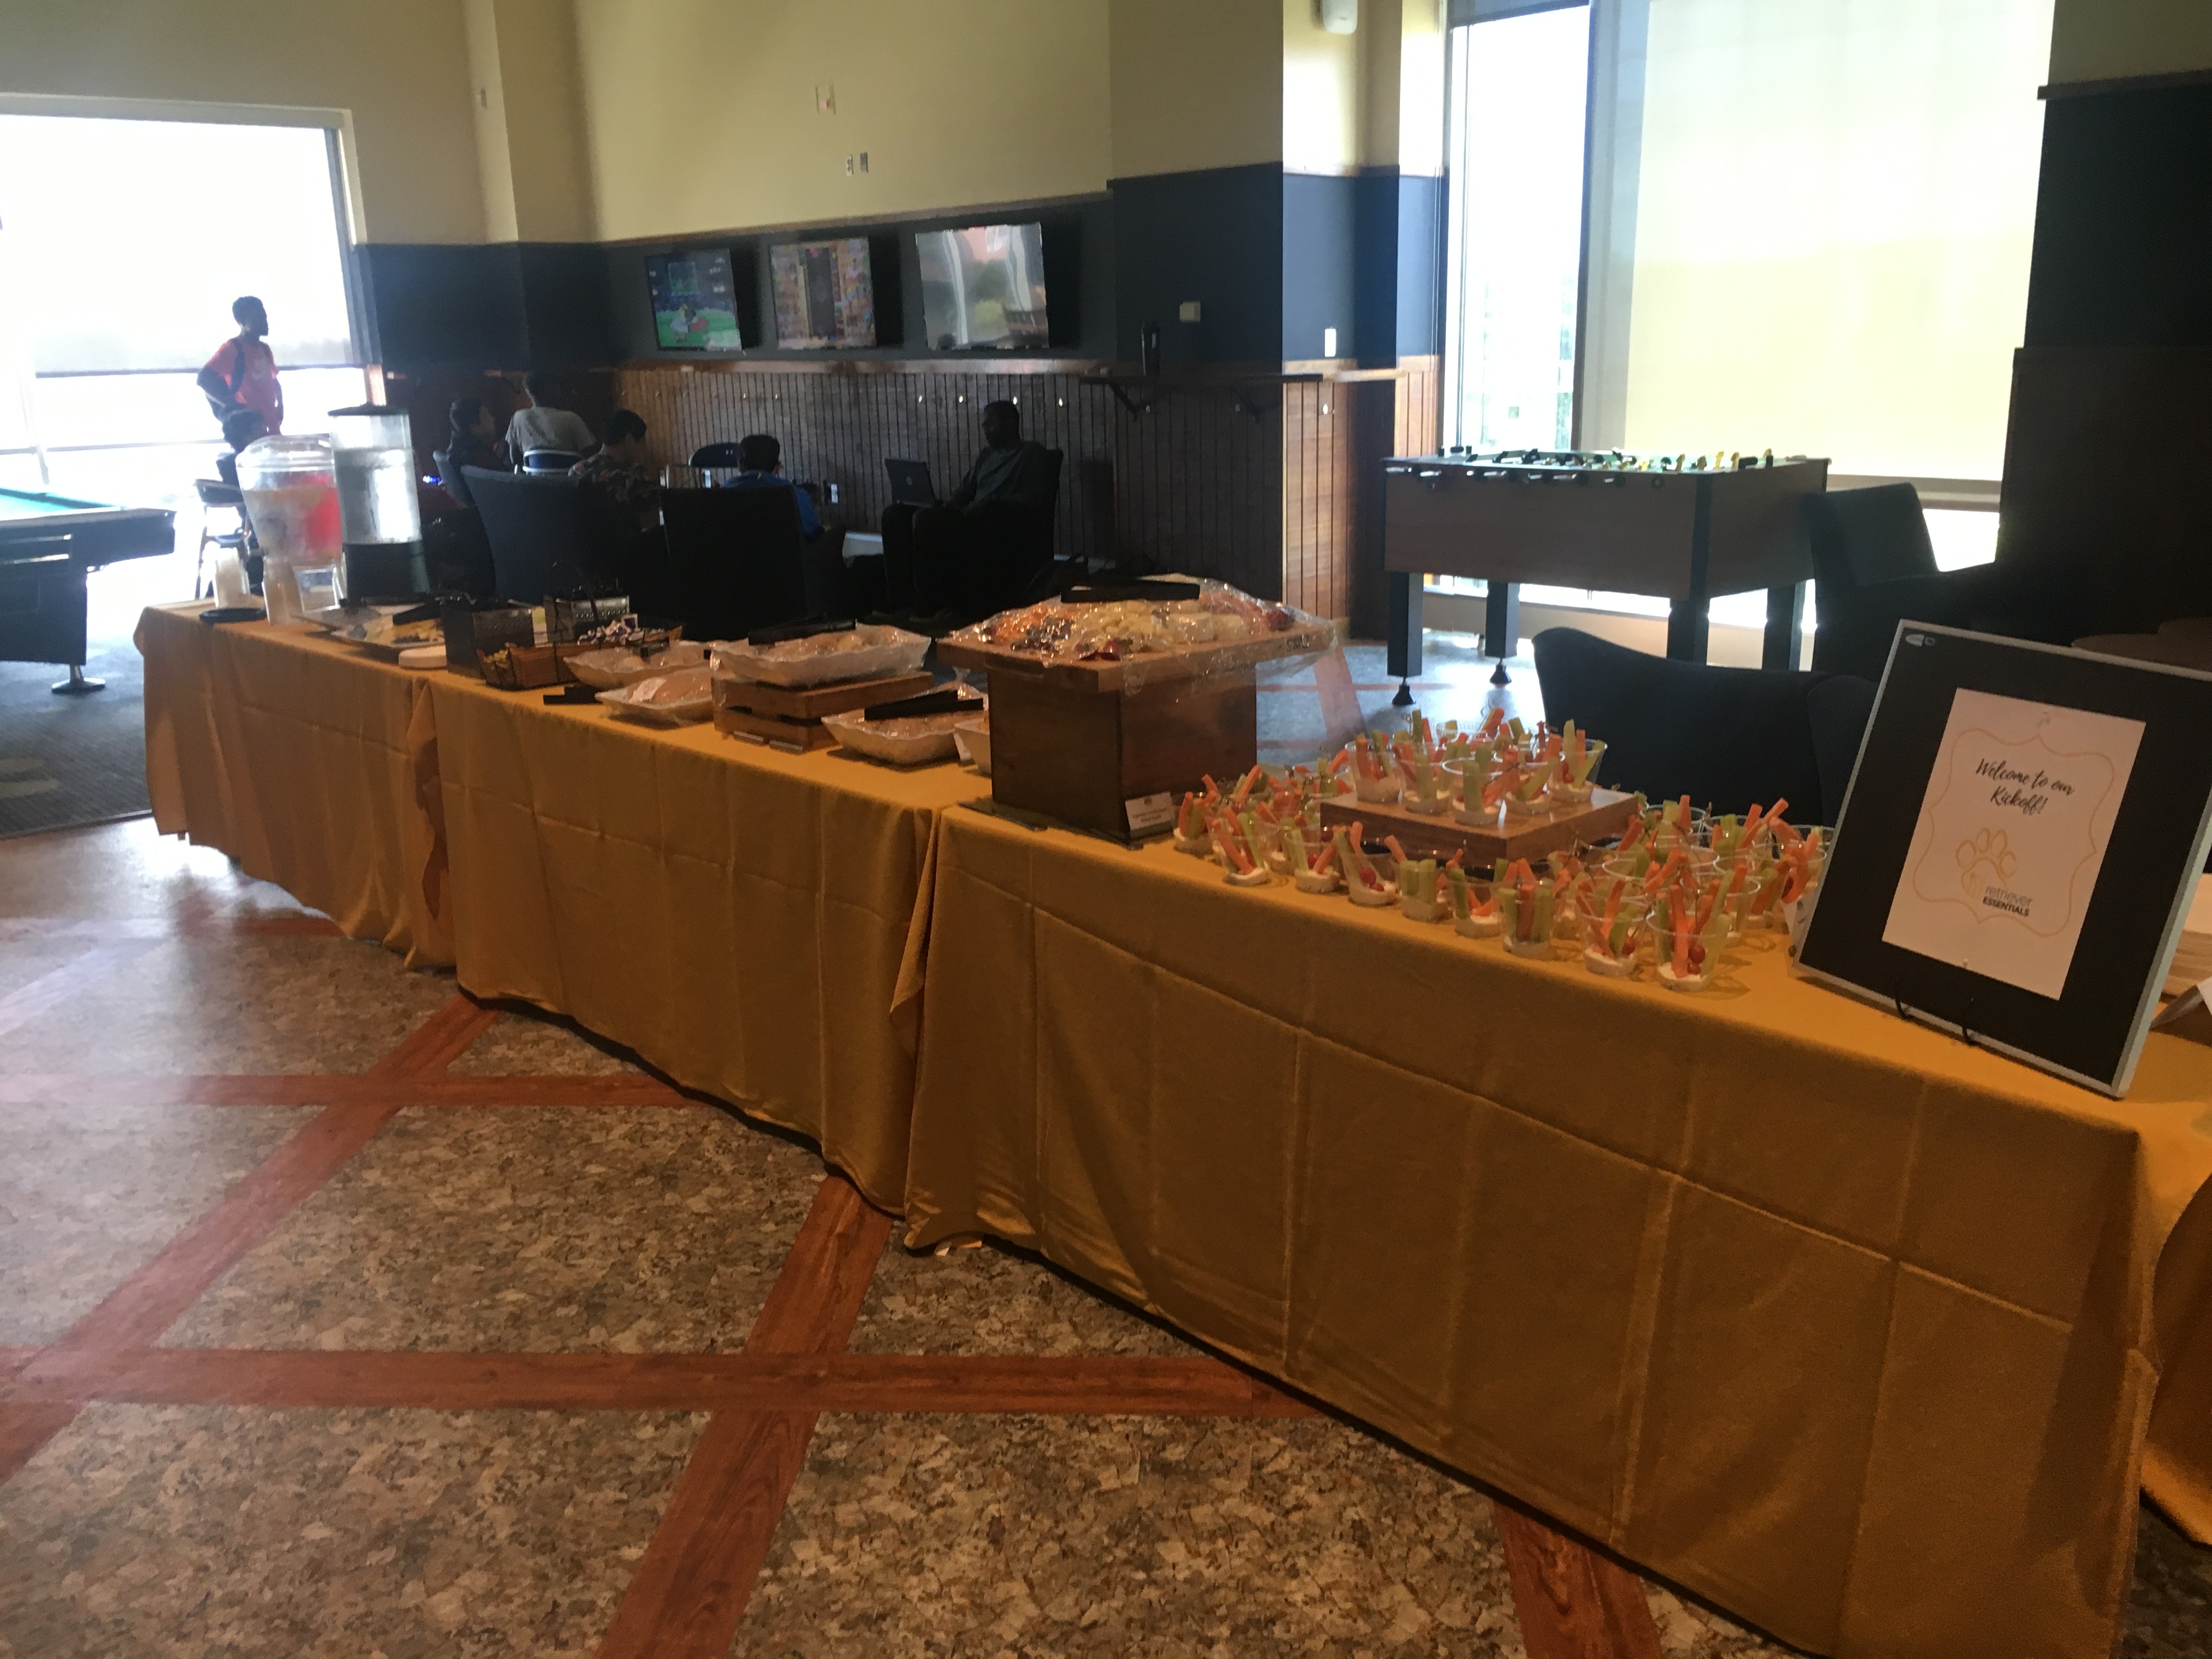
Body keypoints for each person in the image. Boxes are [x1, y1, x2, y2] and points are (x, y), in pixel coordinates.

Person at [879, 399, 1057, 619]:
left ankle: (929, 607)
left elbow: (1035, 499)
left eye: (990, 424)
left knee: (926, 521)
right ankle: (900, 602)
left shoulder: (1032, 454)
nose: (985, 430)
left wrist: (991, 503)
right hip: (966, 516)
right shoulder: (987, 456)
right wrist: (944, 506)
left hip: (992, 525)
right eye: (984, 425)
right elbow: (966, 490)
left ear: (1011, 423)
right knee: (895, 516)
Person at [198, 296, 283, 434]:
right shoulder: (233, 349)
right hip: (251, 430)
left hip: (271, 426)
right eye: (258, 317)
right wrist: (234, 408)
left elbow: (273, 380)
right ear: (241, 321)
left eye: (264, 316)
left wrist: (280, 405)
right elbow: (204, 379)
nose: (264, 321)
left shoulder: (264, 349)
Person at [569, 408, 660, 524]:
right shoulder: (627, 478)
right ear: (630, 440)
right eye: (642, 443)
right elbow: (661, 500)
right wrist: (639, 468)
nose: (644, 449)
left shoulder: (575, 470)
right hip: (619, 535)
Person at [724, 433, 822, 540]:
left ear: (740, 465)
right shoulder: (795, 494)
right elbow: (814, 533)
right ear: (777, 467)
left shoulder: (723, 491)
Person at [503, 371, 596, 464]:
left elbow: (515, 459)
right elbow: (591, 454)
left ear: (528, 392)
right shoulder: (571, 418)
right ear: (554, 389)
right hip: (568, 474)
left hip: (531, 474)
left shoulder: (518, 418)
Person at [435, 398, 501, 506]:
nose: (493, 419)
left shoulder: (456, 450)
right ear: (474, 425)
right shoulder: (481, 459)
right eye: (487, 414)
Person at [213, 407, 267, 488]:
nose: (265, 434)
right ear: (244, 437)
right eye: (258, 429)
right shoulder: (230, 466)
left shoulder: (268, 458)